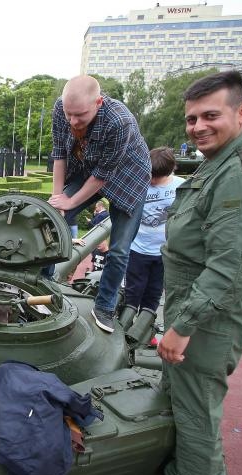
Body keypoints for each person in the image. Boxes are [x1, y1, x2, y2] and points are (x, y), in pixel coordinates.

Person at [118, 70, 242, 475]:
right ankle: (179, 469)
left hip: (209, 318)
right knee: (180, 394)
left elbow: (232, 267)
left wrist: (182, 325)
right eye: (192, 118)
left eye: (210, 115)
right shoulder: (220, 165)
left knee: (196, 405)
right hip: (198, 308)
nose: (198, 127)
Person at [48, 74, 151, 333]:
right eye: (69, 113)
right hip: (86, 167)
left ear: (99, 102)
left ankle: (105, 306)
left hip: (128, 175)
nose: (72, 120)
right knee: (51, 221)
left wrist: (71, 200)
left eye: (80, 115)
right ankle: (44, 284)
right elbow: (60, 155)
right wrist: (59, 200)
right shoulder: (62, 108)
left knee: (119, 249)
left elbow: (102, 178)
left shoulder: (119, 121)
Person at [122, 147, 184, 320]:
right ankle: (126, 323)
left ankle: (144, 327)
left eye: (158, 177)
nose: (153, 180)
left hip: (164, 251)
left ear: (171, 170)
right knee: (132, 290)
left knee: (154, 292)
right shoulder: (138, 183)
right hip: (138, 248)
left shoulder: (180, 186)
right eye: (151, 175)